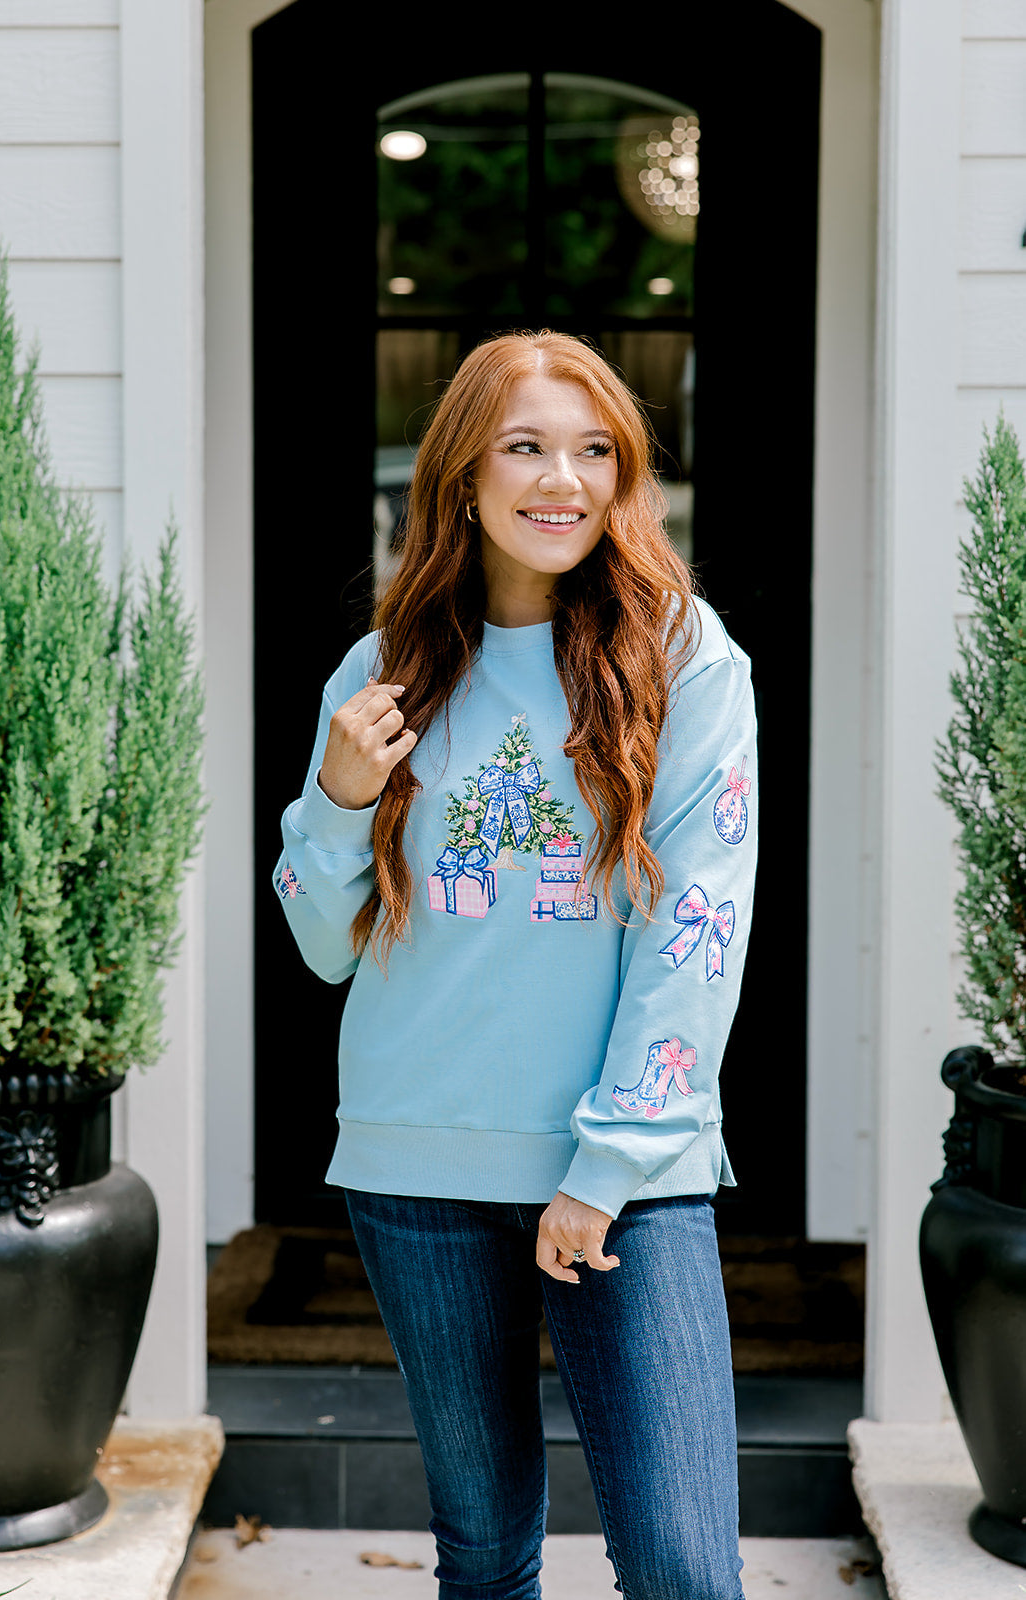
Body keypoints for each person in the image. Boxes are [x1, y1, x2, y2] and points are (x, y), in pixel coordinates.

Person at [274, 331, 757, 1600]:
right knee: (483, 1558)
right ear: (463, 474)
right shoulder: (382, 673)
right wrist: (337, 796)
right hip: (414, 1155)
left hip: (626, 1171)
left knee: (683, 1568)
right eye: (526, 446)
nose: (563, 480)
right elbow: (324, 945)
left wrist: (604, 1167)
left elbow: (693, 933)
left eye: (594, 450)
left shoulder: (683, 655)